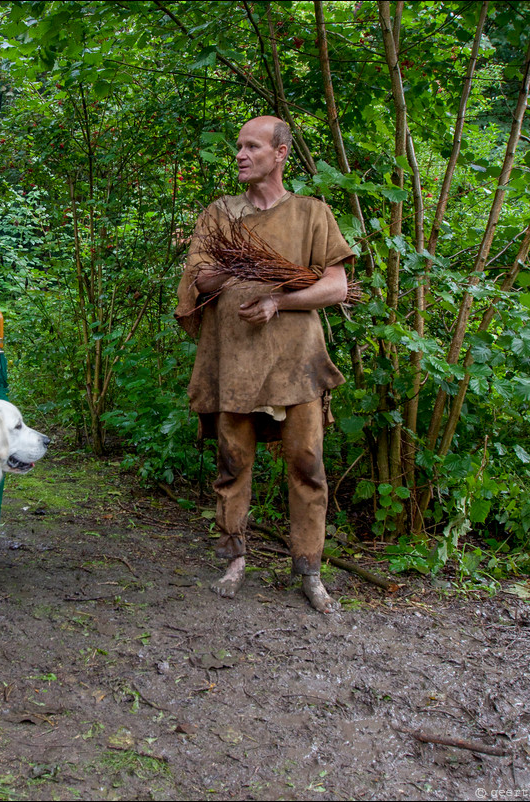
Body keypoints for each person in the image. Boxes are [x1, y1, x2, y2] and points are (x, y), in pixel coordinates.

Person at [175, 115, 354, 613]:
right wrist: (233, 269)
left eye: (252, 146)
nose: (240, 154)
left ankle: (310, 571)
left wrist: (280, 300)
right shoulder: (219, 215)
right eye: (237, 146)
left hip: (297, 364)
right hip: (235, 362)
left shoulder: (312, 213)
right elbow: (197, 281)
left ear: (280, 155)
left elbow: (336, 286)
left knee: (308, 465)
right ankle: (233, 559)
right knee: (232, 464)